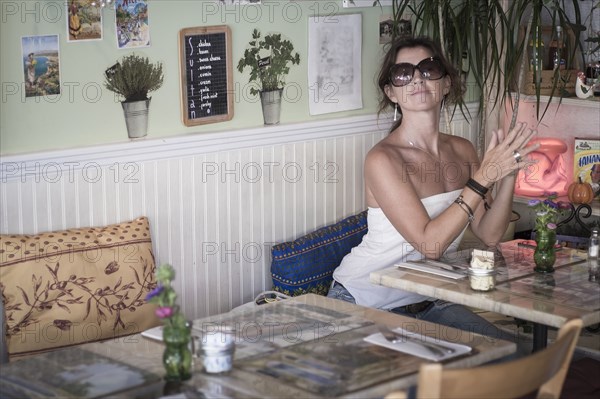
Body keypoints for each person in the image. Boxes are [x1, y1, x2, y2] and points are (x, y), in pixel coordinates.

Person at [327, 37, 539, 344]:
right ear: (392, 92)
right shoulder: (383, 158)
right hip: (362, 301)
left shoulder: (462, 150)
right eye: (403, 73)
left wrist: (506, 174)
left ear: (447, 83)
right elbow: (430, 246)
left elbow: (490, 234)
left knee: (515, 354)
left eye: (428, 68)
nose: (417, 79)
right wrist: (483, 177)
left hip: (428, 304)